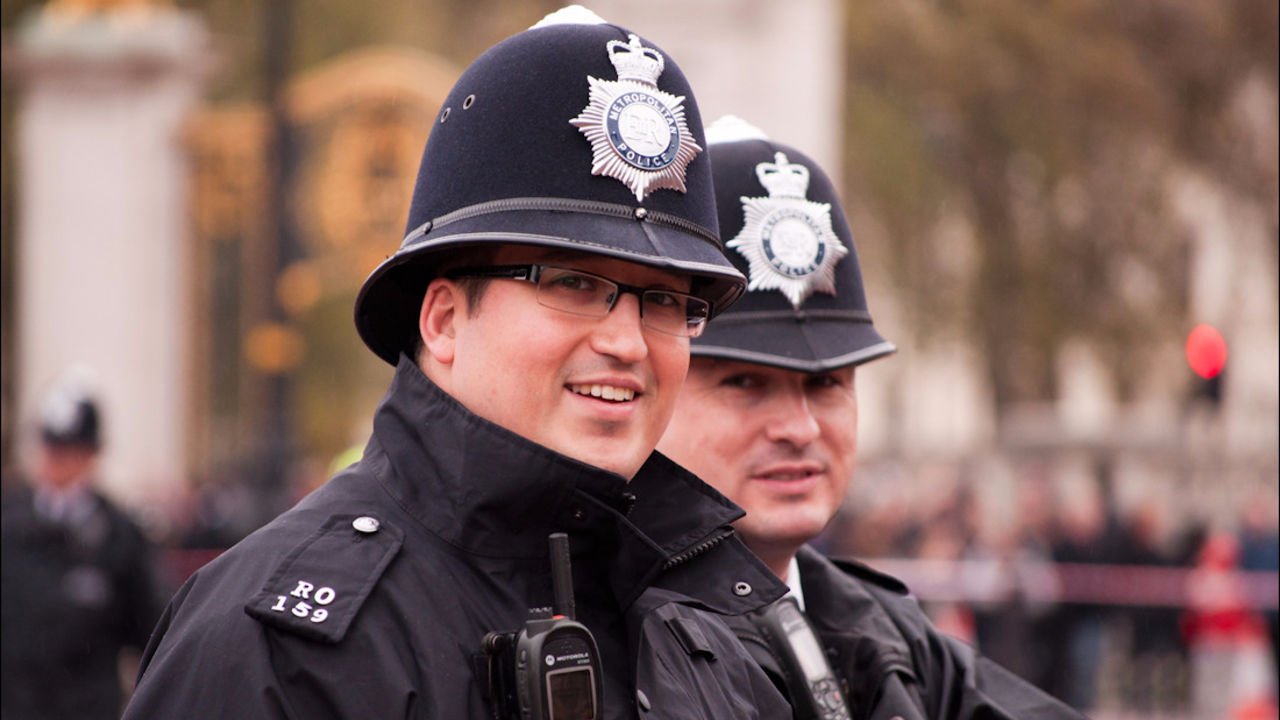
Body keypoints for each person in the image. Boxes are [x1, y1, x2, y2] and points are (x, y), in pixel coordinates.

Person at [123, 10, 791, 719]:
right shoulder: (275, 650)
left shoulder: (703, 630)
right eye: (573, 283)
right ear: (443, 320)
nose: (628, 342)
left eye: (665, 301)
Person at [657, 116, 1085, 718]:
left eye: (827, 383)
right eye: (746, 383)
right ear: (655, 382)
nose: (801, 428)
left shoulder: (881, 634)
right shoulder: (607, 638)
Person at [1, 377, 164, 720]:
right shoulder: (9, 522)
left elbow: (151, 628)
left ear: (92, 454)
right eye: (52, 449)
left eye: (70, 451)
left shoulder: (119, 534)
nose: (58, 462)